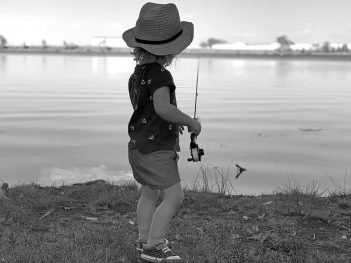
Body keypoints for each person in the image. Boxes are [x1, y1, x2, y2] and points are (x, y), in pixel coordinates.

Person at [122, 2, 201, 262]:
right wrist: (189, 121)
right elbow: (163, 108)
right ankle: (154, 246)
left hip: (138, 147)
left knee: (148, 192)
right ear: (170, 51)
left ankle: (144, 238)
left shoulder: (137, 74)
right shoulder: (161, 76)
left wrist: (170, 119)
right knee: (174, 198)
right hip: (156, 151)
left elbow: (150, 110)